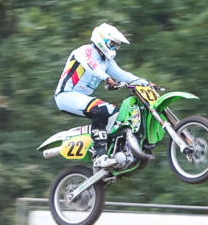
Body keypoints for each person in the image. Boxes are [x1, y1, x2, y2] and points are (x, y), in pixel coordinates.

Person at [54, 23, 155, 171]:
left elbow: (124, 75)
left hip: (82, 98)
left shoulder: (107, 62)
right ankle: (99, 156)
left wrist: (146, 83)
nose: (114, 48)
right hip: (66, 95)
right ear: (102, 39)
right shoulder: (84, 51)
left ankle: (116, 152)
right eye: (112, 44)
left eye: (117, 46)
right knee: (101, 109)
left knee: (119, 117)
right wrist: (106, 78)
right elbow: (91, 65)